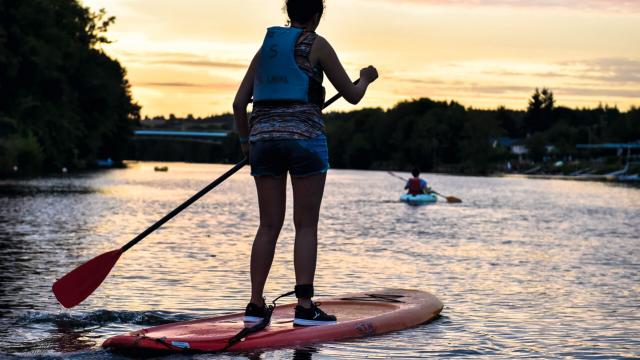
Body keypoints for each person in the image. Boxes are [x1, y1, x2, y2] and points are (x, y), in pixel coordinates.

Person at [233, 0, 378, 326]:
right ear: (316, 15)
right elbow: (353, 95)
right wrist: (366, 78)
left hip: (263, 144)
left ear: (288, 13)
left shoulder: (265, 50)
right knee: (305, 225)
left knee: (268, 225)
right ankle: (305, 306)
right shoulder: (318, 44)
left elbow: (239, 104)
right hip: (304, 142)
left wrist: (246, 144)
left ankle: (255, 306)